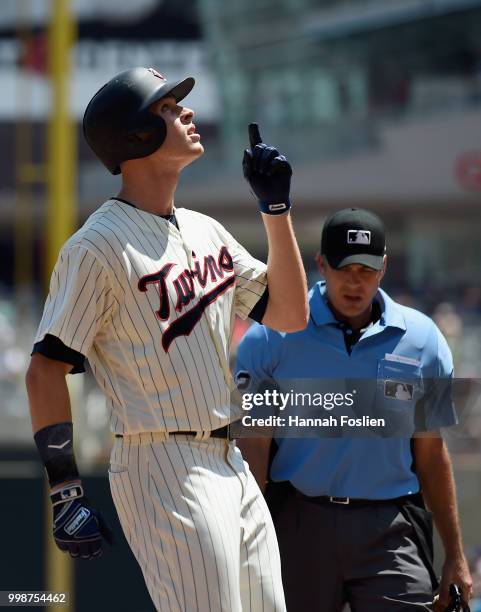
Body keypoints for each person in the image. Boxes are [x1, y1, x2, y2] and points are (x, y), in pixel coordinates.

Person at [25, 66, 309, 612]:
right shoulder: (97, 247)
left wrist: (276, 211)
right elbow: (45, 369)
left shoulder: (205, 229)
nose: (187, 112)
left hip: (230, 460)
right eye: (167, 107)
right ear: (136, 134)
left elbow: (292, 314)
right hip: (162, 463)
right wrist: (65, 491)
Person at [236, 207, 472, 612]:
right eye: (344, 268)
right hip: (298, 525)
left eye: (365, 269)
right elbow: (254, 447)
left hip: (391, 530)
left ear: (383, 267)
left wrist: (455, 554)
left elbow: (431, 453)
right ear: (321, 264)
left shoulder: (424, 341)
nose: (354, 281)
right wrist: (240, 537)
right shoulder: (270, 338)